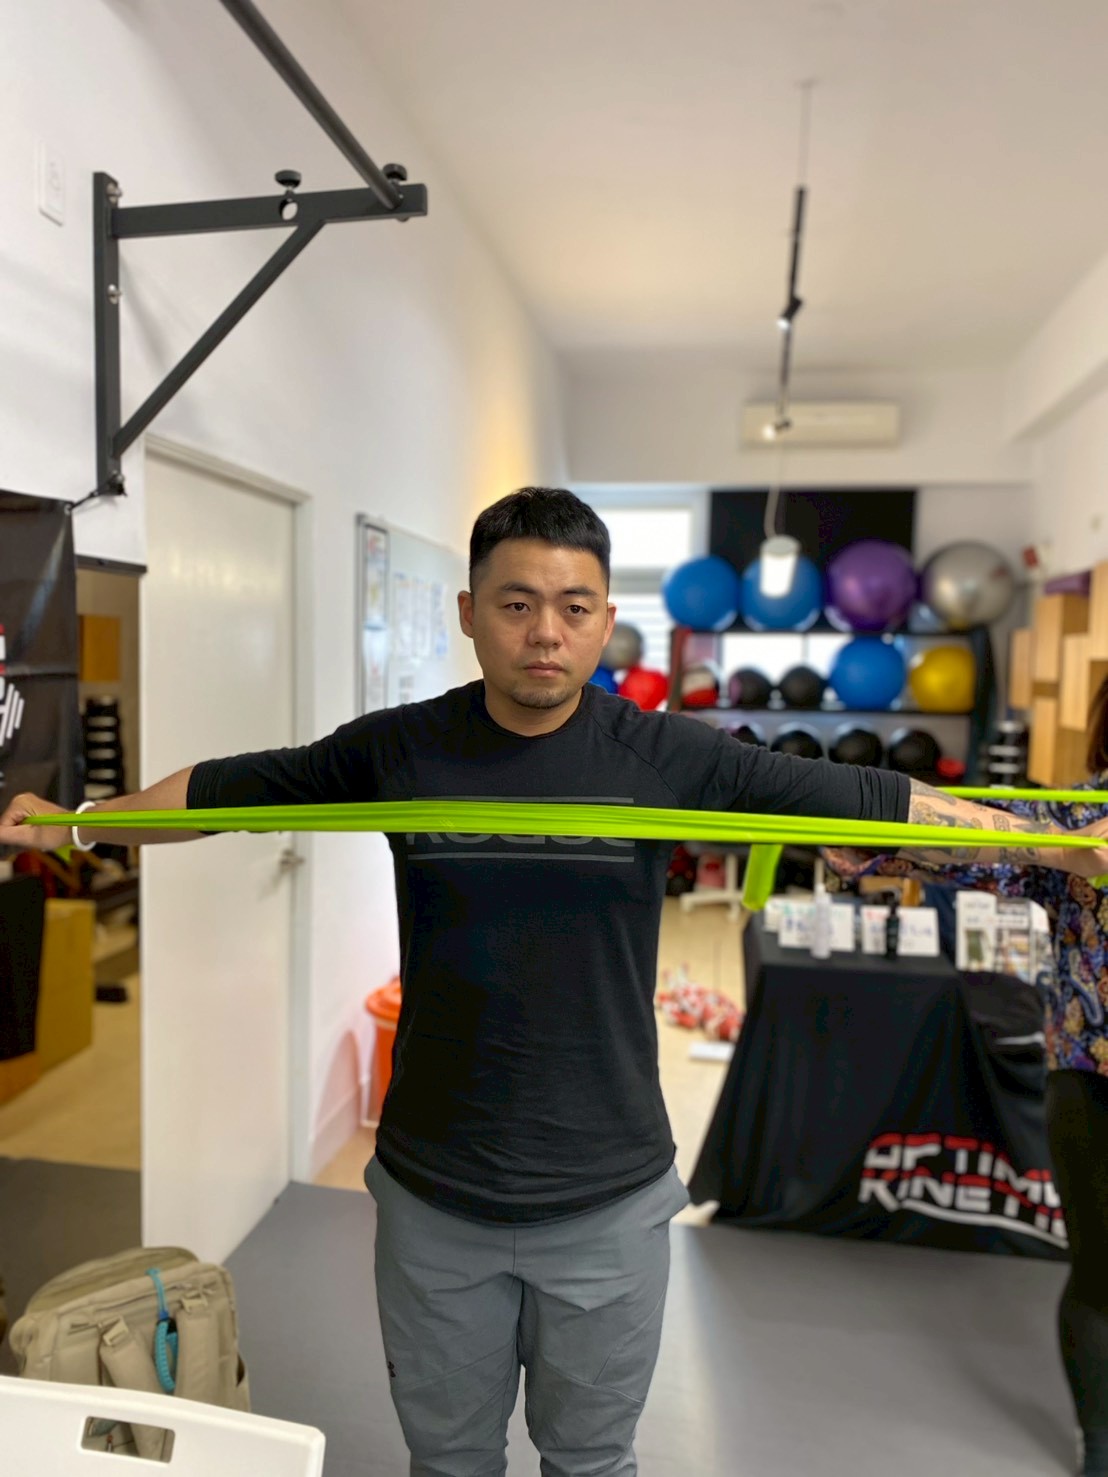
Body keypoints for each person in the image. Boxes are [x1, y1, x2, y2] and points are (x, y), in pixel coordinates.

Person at [4, 487, 1108, 1477]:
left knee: (592, 1459)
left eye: (575, 607)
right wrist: (81, 823)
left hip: (608, 1199)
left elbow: (861, 799)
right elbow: (230, 792)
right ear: (468, 611)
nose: (547, 632)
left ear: (604, 617)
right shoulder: (403, 750)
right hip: (434, 1193)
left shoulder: (663, 755)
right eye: (518, 603)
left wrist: (1051, 844)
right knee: (448, 1460)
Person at [826, 679, 1108, 1477]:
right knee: (1102, 1277)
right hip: (1090, 1080)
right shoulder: (1077, 813)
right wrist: (856, 826)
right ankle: (1102, 1445)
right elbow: (965, 838)